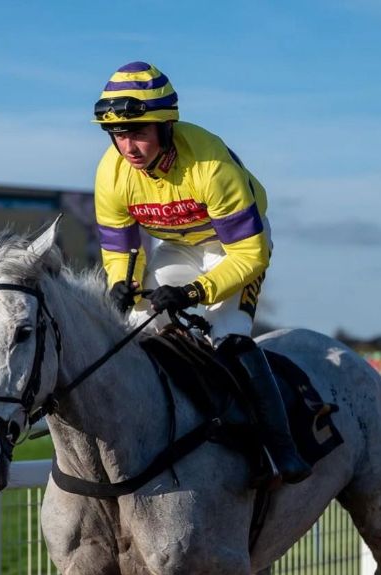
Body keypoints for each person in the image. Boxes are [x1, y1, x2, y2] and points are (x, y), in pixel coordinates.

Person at [92, 61, 311, 486]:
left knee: (227, 336)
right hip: (179, 245)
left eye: (138, 132)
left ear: (166, 126)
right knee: (142, 327)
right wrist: (123, 284)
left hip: (235, 248)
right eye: (119, 135)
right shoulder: (111, 174)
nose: (129, 147)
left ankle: (279, 448)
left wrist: (196, 292)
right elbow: (122, 249)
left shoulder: (209, 164)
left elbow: (249, 255)